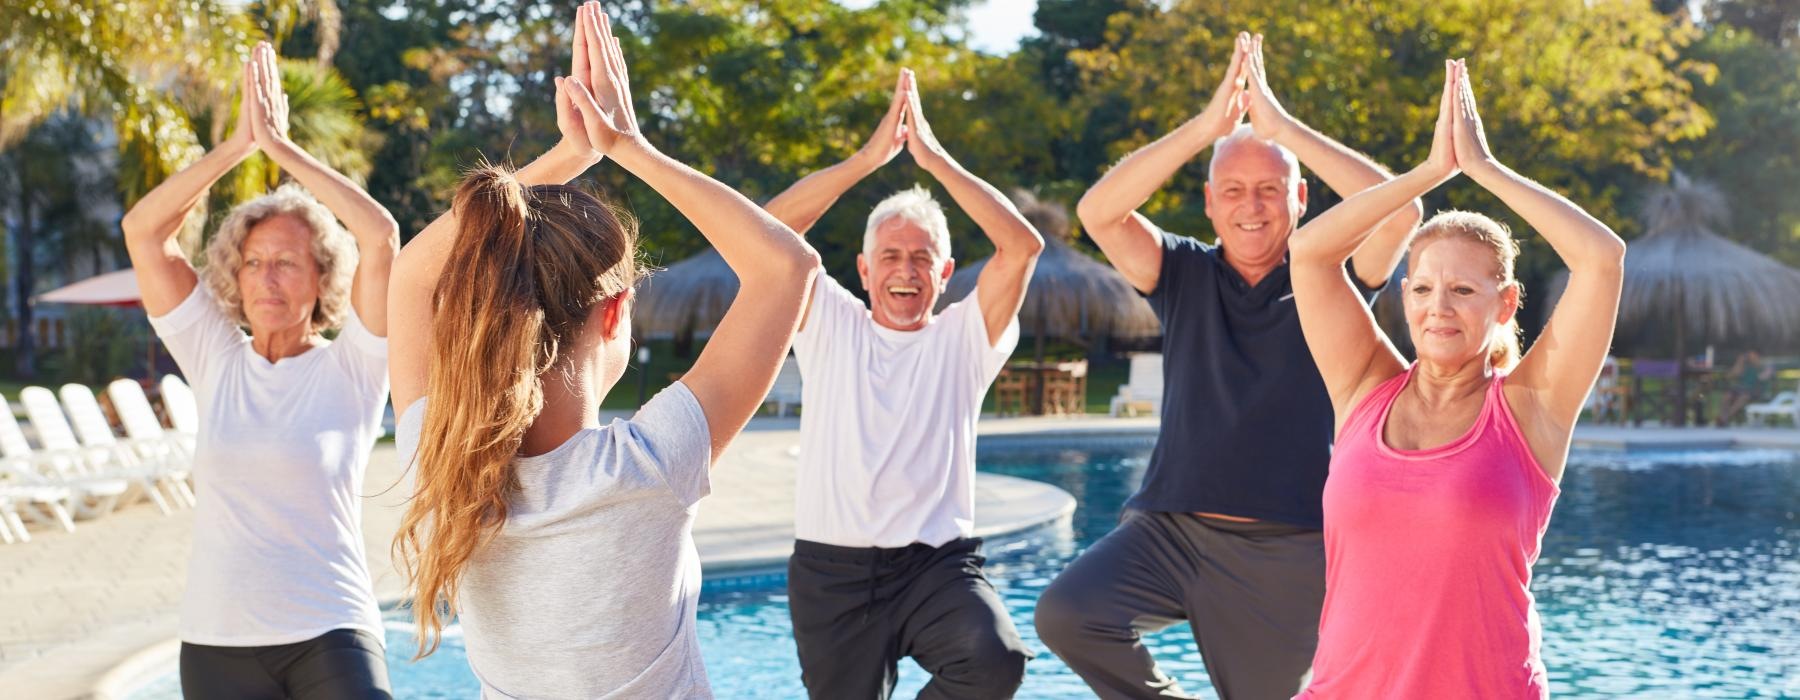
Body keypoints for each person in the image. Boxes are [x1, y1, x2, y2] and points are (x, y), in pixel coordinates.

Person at [387, 4, 818, 697]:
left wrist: (570, 158)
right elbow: (787, 268)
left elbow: (410, 276)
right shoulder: (648, 469)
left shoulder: (440, 466)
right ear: (616, 310)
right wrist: (624, 146)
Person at [1036, 33, 1421, 699]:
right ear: (1210, 203)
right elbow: (1098, 212)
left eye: (1270, 189)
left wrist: (1281, 127)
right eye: (1234, 190)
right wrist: (1208, 128)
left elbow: (1403, 211)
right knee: (1068, 615)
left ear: (1300, 198)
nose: (1251, 206)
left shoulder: (1328, 275)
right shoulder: (1181, 270)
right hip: (1168, 532)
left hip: (1288, 545)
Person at [1287, 59, 1626, 698]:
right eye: (1422, 287)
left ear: (1505, 303)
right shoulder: (1363, 386)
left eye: (1463, 289)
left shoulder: (1532, 408)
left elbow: (1601, 259)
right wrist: (1425, 176)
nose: (1438, 306)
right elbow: (1309, 254)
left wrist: (1484, 169)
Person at [122, 43, 399, 699]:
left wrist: (281, 149)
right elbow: (142, 230)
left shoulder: (357, 364)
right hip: (217, 643)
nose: (266, 277)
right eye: (253, 262)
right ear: (235, 276)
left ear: (323, 277)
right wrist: (239, 147)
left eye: (287, 262)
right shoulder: (215, 357)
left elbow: (380, 234)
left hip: (331, 630)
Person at [760, 68, 1044, 699]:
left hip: (937, 566)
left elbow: (1021, 247)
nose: (905, 270)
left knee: (995, 660)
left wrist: (934, 158)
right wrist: (868, 159)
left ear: (945, 272)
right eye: (890, 256)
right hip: (832, 574)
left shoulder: (967, 337)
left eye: (921, 258)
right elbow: (768, 233)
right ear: (863, 269)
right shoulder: (829, 321)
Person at [1717, 350, 1773, 426]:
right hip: (1741, 389)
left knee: (1744, 397)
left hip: (1755, 391)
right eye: (1749, 356)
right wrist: (1739, 362)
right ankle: (1722, 417)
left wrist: (1760, 368)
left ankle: (1725, 418)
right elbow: (1731, 375)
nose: (1750, 358)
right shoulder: (1745, 365)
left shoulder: (1765, 365)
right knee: (1728, 395)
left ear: (1758, 356)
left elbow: (1762, 377)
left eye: (1752, 356)